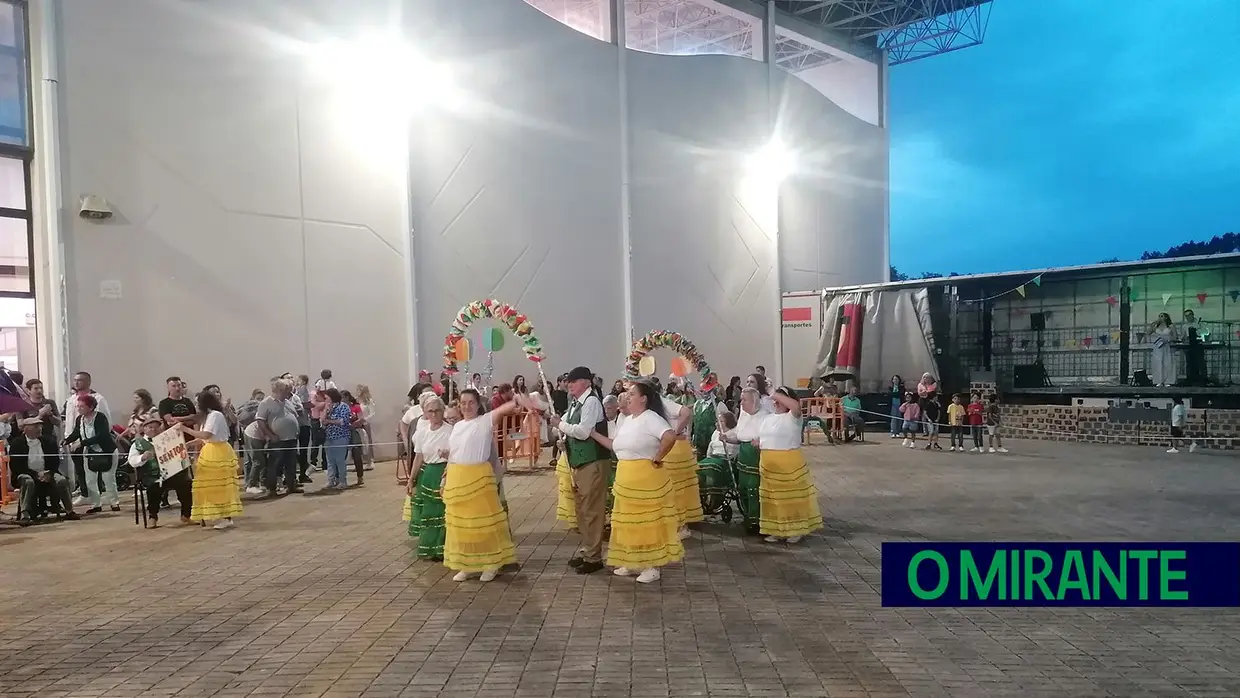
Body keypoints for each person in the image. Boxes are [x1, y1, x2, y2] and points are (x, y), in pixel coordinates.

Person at [586, 380, 682, 584]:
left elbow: (670, 436)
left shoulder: (651, 418)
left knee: (647, 522)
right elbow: (615, 445)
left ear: (643, 398)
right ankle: (630, 561)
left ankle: (652, 565)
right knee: (627, 522)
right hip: (626, 477)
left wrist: (658, 456)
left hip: (645, 478)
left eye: (631, 394)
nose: (627, 397)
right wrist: (593, 433)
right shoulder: (627, 420)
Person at [440, 388, 523, 582]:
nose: (467, 406)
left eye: (471, 402)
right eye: (463, 403)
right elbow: (456, 452)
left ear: (478, 404)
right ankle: (467, 565)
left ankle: (490, 563)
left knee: (483, 523)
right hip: (457, 476)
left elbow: (505, 409)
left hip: (478, 476)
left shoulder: (484, 421)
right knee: (462, 525)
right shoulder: (458, 426)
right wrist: (447, 459)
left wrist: (519, 399)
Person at [546, 366, 610, 575]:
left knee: (592, 510)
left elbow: (583, 432)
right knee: (582, 510)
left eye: (574, 381)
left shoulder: (591, 402)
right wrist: (564, 440)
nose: (569, 384)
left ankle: (594, 557)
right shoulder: (575, 403)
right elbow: (567, 427)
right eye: (568, 381)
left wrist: (561, 425)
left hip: (593, 461)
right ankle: (587, 550)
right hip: (579, 462)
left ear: (586, 382)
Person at [756, 387, 823, 544]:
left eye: (780, 400)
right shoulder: (768, 418)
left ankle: (796, 529)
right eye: (775, 401)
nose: (776, 403)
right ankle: (777, 529)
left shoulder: (793, 417)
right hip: (769, 464)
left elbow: (796, 407)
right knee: (774, 499)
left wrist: (774, 393)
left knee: (792, 498)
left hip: (789, 463)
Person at [177, 391, 242, 529]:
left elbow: (207, 434)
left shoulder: (215, 415)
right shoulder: (208, 417)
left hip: (217, 451)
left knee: (219, 485)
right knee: (210, 486)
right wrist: (190, 444)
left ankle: (226, 516)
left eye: (197, 403)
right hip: (210, 450)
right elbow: (204, 437)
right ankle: (220, 514)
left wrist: (184, 429)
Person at [10, 417, 79, 524]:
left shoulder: (49, 441)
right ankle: (25, 515)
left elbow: (55, 461)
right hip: (25, 474)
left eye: (40, 426)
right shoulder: (16, 443)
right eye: (36, 426)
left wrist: (49, 473)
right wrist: (36, 474)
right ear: (26, 429)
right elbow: (16, 466)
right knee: (28, 481)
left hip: (47, 472)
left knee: (62, 480)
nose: (39, 429)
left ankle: (69, 510)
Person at [407, 394, 451, 561]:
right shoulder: (422, 432)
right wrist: (411, 479)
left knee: (442, 512)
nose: (433, 414)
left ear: (443, 411)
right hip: (428, 474)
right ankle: (430, 547)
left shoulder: (450, 431)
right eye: (430, 411)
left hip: (444, 472)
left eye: (437, 411)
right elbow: (418, 456)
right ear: (425, 413)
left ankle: (443, 547)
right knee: (429, 512)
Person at [720, 387, 769, 534]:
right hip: (743, 456)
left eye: (744, 400)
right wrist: (727, 438)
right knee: (743, 489)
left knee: (754, 489)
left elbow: (769, 439)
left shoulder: (765, 416)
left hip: (756, 457)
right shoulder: (743, 414)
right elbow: (739, 436)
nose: (741, 403)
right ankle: (748, 517)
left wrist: (761, 443)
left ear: (754, 401)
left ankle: (757, 521)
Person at [128, 413, 189, 527]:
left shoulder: (168, 440)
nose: (154, 430)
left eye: (157, 427)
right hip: (152, 475)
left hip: (171, 473)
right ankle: (153, 516)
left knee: (185, 483)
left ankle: (186, 514)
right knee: (153, 487)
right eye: (150, 427)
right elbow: (132, 461)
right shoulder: (138, 444)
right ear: (144, 429)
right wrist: (142, 457)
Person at [64, 394, 119, 514]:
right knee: (90, 480)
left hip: (106, 451)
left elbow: (102, 436)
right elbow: (77, 432)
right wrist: (67, 440)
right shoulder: (80, 419)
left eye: (81, 406)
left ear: (91, 407)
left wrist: (82, 443)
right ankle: (96, 504)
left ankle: (114, 502)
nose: (78, 408)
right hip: (90, 452)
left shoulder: (100, 417)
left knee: (108, 478)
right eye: (77, 406)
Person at [659, 388, 701, 539]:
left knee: (677, 488)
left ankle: (681, 526)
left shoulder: (663, 402)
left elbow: (686, 412)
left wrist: (675, 432)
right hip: (665, 448)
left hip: (675, 450)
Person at [256, 378, 303, 497]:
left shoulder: (288, 402)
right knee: (274, 464)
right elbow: (260, 421)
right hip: (277, 440)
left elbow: (294, 416)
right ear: (278, 390)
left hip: (291, 439)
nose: (289, 392)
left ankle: (291, 486)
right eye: (287, 390)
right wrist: (270, 435)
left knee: (291, 463)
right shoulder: (266, 403)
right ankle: (271, 489)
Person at [320, 388, 353, 491]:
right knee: (330, 460)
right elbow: (322, 421)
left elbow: (343, 421)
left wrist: (329, 421)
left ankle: (343, 481)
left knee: (340, 460)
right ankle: (331, 480)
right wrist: (326, 410)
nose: (326, 400)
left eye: (327, 398)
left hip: (341, 437)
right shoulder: (329, 407)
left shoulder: (344, 407)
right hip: (329, 437)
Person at [1148, 312, 1177, 387]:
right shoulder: (1156, 326)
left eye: (1161, 316)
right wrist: (1152, 325)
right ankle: (1159, 380)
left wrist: (1168, 340)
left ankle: (1168, 381)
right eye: (1159, 316)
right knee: (1158, 363)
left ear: (1166, 317)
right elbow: (1148, 333)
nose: (1159, 318)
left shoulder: (1171, 326)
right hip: (1158, 346)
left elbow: (1175, 337)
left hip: (1167, 346)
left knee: (1167, 363)